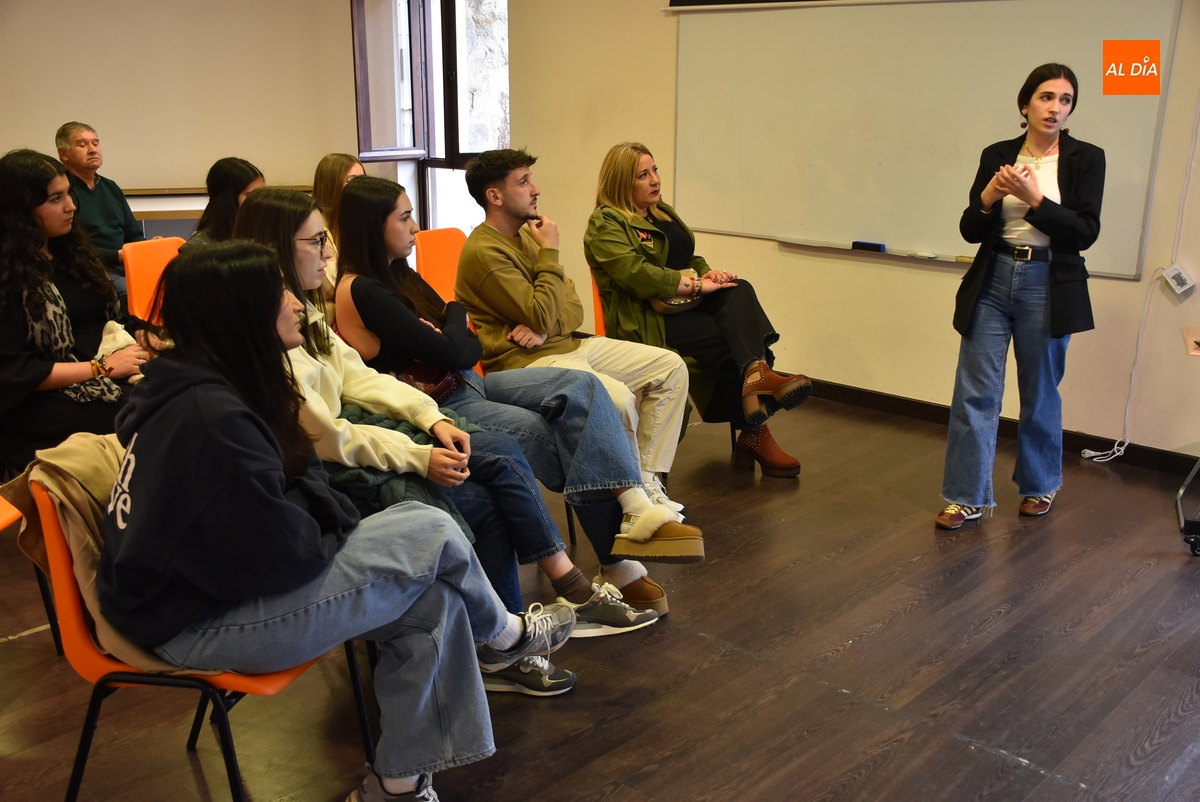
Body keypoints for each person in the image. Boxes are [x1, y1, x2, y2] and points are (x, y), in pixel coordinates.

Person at [96, 240, 576, 802]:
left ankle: (397, 786)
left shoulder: (209, 384)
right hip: (193, 625)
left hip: (209, 593)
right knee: (426, 529)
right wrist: (330, 515)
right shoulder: (211, 417)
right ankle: (503, 635)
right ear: (243, 312)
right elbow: (282, 551)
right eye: (278, 292)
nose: (297, 302)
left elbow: (290, 495)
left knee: (434, 601)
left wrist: (320, 508)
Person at [233, 189, 659, 697]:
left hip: (437, 400)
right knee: (500, 467)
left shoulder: (316, 305)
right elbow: (339, 429)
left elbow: (381, 368)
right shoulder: (297, 319)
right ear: (278, 247)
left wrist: (430, 418)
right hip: (334, 477)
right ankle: (542, 607)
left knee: (567, 407)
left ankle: (518, 627)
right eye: (317, 240)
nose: (328, 250)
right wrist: (421, 445)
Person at [333, 177, 705, 613]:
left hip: (467, 383)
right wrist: (450, 324)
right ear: (372, 226)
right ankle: (616, 562)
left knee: (580, 387)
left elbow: (466, 327)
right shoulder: (361, 288)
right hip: (439, 406)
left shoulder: (398, 274)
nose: (416, 227)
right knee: (561, 436)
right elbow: (459, 343)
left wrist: (450, 324)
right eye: (405, 217)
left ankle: (635, 505)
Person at [454, 148, 692, 508]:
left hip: (563, 346)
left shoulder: (526, 236)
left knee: (671, 367)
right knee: (618, 399)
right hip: (526, 364)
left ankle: (646, 482)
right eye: (523, 182)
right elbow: (540, 312)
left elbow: (573, 305)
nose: (535, 189)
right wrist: (549, 255)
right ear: (494, 196)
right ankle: (632, 502)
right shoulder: (485, 252)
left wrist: (547, 328)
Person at [936, 63, 1104, 530]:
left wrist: (1036, 200)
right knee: (975, 392)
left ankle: (1038, 485)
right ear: (1025, 104)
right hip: (994, 275)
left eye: (1065, 100)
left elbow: (1085, 232)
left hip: (1047, 281)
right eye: (1046, 97)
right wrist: (988, 198)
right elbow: (971, 229)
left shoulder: (1086, 158)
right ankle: (966, 497)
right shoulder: (998, 153)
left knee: (1039, 391)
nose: (1055, 108)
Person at [584, 142, 812, 478]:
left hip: (684, 302)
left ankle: (754, 377)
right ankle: (755, 426)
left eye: (655, 170)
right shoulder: (606, 223)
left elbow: (686, 256)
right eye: (643, 175)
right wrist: (693, 285)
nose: (655, 180)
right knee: (732, 338)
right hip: (648, 320)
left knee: (740, 289)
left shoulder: (661, 212)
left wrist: (706, 272)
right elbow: (637, 275)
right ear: (621, 183)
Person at [0, 149, 147, 477]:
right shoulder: (9, 277)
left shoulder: (72, 252)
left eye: (68, 194)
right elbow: (17, 373)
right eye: (55, 199)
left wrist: (147, 336)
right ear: (18, 210)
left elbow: (110, 320)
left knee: (193, 383)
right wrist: (100, 368)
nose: (71, 206)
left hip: (103, 371)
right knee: (149, 410)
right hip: (36, 404)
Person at [54, 122, 145, 303]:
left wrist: (147, 249)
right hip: (88, 268)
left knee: (173, 284)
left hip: (124, 265)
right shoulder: (63, 191)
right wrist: (117, 256)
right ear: (63, 154)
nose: (93, 149)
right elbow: (67, 246)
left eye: (95, 143)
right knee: (134, 294)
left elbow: (133, 234)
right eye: (82, 144)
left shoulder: (110, 187)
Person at [312, 152, 365, 325]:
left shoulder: (356, 222)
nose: (361, 187)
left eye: (362, 180)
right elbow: (332, 286)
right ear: (331, 186)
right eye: (351, 180)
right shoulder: (317, 228)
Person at [185, 157, 264, 247]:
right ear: (228, 200)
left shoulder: (259, 235)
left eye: (262, 193)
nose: (260, 200)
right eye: (250, 195)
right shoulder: (199, 248)